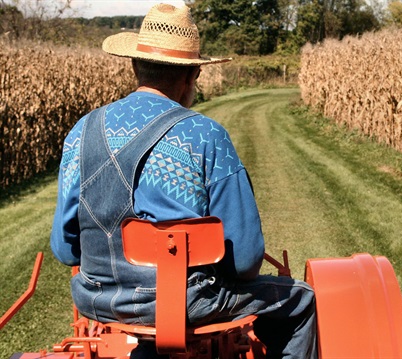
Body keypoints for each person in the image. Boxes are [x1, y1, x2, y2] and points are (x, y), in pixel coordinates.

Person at [49, 4, 316, 358]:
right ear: (193, 76)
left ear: (135, 66)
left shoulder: (81, 132)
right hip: (187, 304)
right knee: (302, 302)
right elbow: (247, 260)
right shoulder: (205, 136)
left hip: (98, 299)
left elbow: (64, 249)